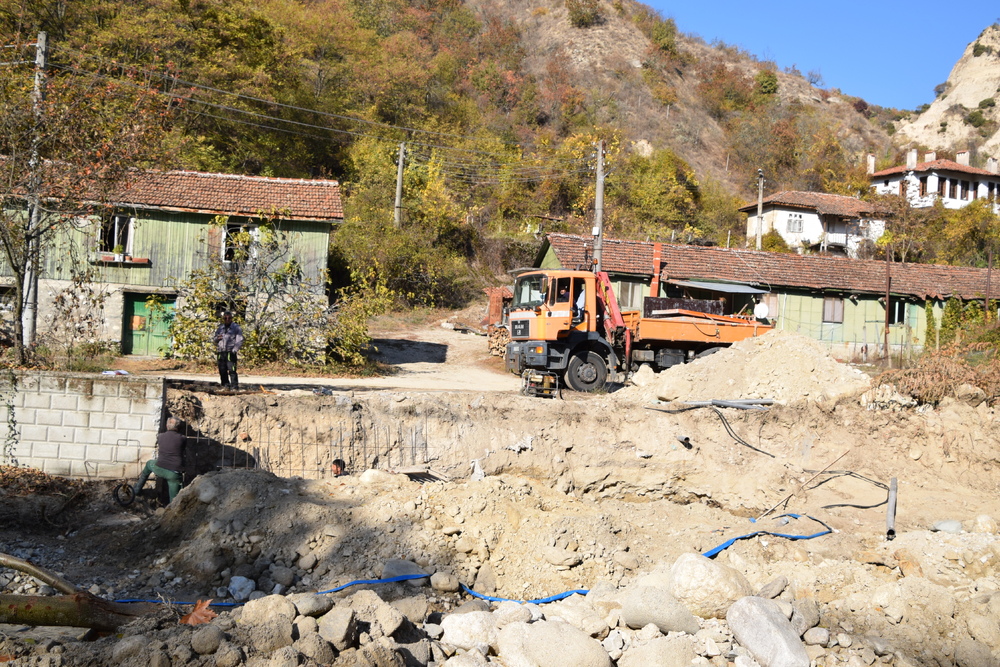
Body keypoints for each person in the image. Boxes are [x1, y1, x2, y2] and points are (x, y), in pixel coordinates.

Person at [133, 417, 186, 503]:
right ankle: (171, 513)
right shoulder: (183, 438)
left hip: (159, 468)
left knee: (149, 464)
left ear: (166, 426)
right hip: (174, 473)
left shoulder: (160, 437)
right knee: (174, 501)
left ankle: (137, 489)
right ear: (178, 427)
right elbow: (182, 449)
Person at [215, 311, 244, 389]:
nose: (227, 319)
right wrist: (217, 338)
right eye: (225, 318)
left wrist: (234, 350)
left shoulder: (236, 327)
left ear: (231, 318)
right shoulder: (220, 327)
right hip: (221, 351)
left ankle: (234, 386)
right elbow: (214, 338)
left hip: (230, 352)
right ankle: (225, 385)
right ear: (223, 318)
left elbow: (240, 340)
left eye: (229, 318)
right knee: (222, 370)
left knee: (232, 370)